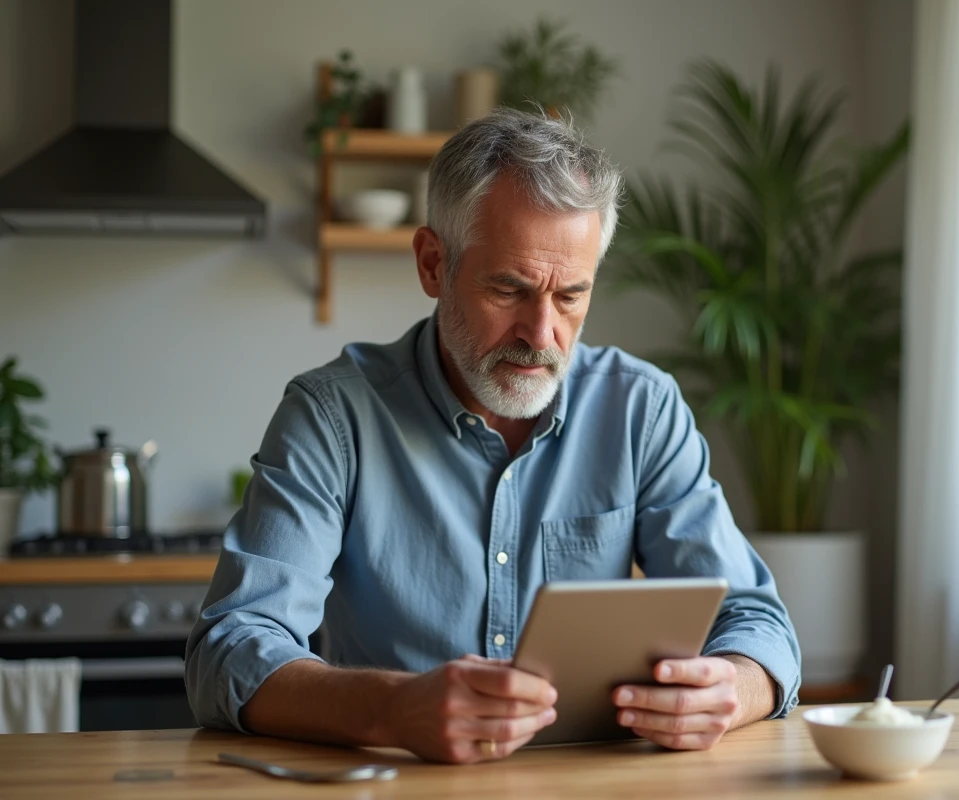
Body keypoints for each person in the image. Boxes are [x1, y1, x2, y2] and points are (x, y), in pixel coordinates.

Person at [184, 108, 800, 764]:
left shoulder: (639, 409)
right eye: (509, 289)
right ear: (431, 264)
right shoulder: (334, 416)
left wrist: (728, 689)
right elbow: (230, 648)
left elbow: (759, 627)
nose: (541, 335)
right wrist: (392, 708)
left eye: (570, 297)